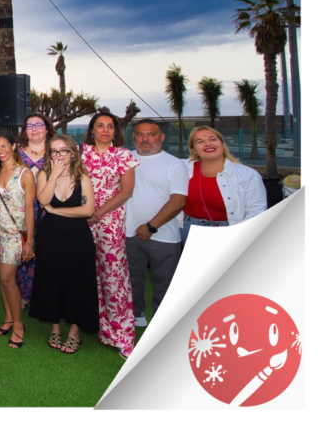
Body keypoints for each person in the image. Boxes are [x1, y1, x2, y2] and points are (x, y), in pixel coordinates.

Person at [30, 135, 99, 354]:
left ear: (72, 154)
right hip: (50, 239)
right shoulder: (43, 174)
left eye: (63, 151)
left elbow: (87, 211)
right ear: (48, 154)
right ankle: (55, 328)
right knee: (51, 281)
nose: (58, 155)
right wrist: (54, 177)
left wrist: (57, 211)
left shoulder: (83, 178)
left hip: (78, 239)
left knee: (78, 283)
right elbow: (43, 200)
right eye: (54, 151)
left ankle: (74, 333)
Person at [82, 111, 138, 359]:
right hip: (81, 218)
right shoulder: (80, 153)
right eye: (100, 125)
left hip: (110, 221)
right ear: (91, 129)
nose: (105, 130)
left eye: (110, 126)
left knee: (113, 277)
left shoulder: (124, 156)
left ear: (116, 130)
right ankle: (88, 324)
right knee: (83, 272)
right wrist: (85, 212)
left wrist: (97, 213)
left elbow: (126, 192)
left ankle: (122, 335)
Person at [127, 120, 187, 328]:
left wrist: (151, 227)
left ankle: (163, 323)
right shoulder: (125, 160)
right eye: (140, 134)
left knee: (165, 282)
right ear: (133, 137)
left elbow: (178, 201)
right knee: (132, 279)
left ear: (161, 137)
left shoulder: (174, 164)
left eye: (151, 134)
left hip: (163, 236)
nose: (145, 139)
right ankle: (136, 315)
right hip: (127, 234)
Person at [0, 131, 36, 349]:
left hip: (15, 235)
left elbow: (30, 211)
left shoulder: (25, 174)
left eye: (4, 146)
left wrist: (29, 241)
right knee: (1, 277)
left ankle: (19, 326)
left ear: (14, 146)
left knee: (6, 279)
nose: (0, 150)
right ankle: (8, 318)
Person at [181, 126, 268, 239]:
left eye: (213, 139)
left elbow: (257, 211)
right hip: (189, 230)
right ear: (193, 149)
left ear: (222, 144)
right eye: (200, 141)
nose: (208, 144)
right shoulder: (181, 168)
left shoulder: (247, 174)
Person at [16, 113, 55, 311]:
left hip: (51, 211)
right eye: (29, 126)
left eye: (39, 125)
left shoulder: (57, 151)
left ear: (47, 128)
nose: (34, 129)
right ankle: (24, 295)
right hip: (22, 209)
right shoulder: (17, 152)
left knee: (48, 254)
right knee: (24, 252)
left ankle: (46, 296)